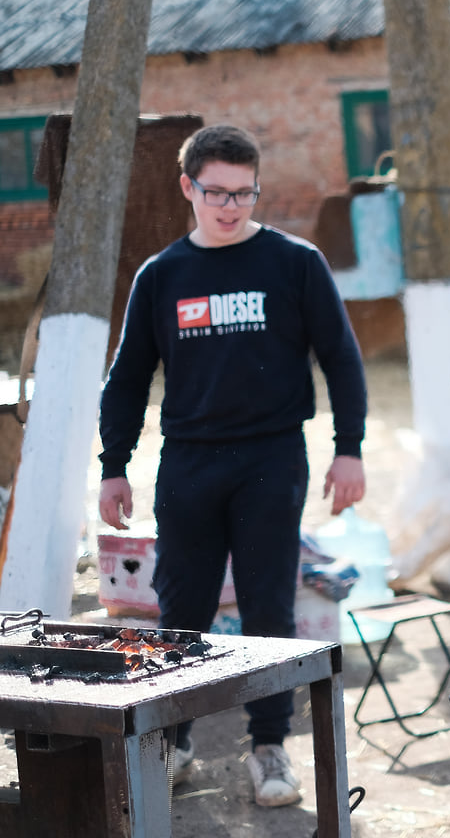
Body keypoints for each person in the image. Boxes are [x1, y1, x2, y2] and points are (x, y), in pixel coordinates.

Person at [98, 124, 368, 807]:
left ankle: (270, 748)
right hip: (189, 460)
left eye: (244, 193)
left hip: (271, 458)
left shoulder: (294, 263)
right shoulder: (161, 277)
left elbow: (341, 357)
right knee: (180, 608)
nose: (230, 206)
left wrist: (349, 447)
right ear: (187, 187)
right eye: (216, 192)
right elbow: (128, 378)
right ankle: (175, 741)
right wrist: (114, 464)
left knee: (267, 605)